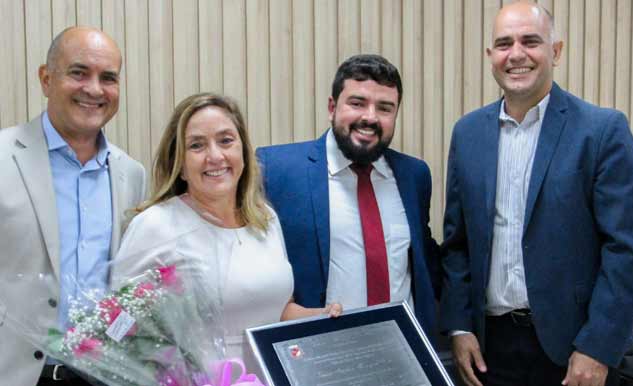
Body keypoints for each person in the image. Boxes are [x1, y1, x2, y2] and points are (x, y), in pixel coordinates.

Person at [440, 2, 633, 386]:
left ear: (556, 51)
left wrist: (598, 348)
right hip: (490, 349)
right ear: (490, 56)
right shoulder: (467, 134)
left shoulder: (602, 131)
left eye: (530, 41)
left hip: (573, 349)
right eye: (504, 43)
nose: (516, 54)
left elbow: (627, 249)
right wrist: (458, 325)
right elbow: (457, 244)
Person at [110, 93, 341, 374]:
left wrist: (323, 316)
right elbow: (118, 329)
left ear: (243, 151)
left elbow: (276, 310)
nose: (215, 156)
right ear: (180, 164)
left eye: (226, 141)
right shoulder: (155, 225)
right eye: (197, 145)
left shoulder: (264, 218)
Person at [0, 27, 146, 385]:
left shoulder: (131, 175)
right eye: (79, 72)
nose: (95, 89)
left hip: (101, 376)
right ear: (46, 79)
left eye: (108, 78)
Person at [256, 54, 440, 338]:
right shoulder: (276, 170)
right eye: (357, 103)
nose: (370, 117)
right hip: (320, 354)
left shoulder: (414, 175)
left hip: (403, 350)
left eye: (385, 108)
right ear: (332, 107)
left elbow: (426, 265)